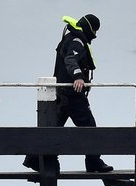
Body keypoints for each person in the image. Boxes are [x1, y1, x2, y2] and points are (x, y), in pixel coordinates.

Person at [24, 14, 113, 173]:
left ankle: (33, 158)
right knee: (90, 128)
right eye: (95, 30)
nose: (96, 35)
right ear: (89, 28)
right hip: (72, 95)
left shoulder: (70, 37)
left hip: (61, 93)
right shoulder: (77, 41)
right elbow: (71, 59)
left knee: (52, 128)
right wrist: (78, 76)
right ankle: (93, 161)